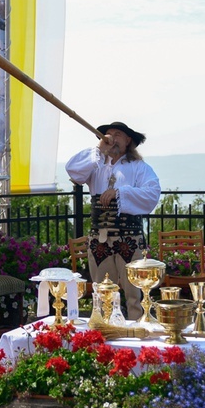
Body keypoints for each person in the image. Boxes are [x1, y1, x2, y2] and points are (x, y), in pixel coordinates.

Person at [65, 121, 161, 320]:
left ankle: (138, 330)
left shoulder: (139, 167)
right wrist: (98, 149)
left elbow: (152, 194)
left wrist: (120, 192)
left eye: (117, 134)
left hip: (129, 238)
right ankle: (104, 330)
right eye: (107, 134)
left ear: (128, 141)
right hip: (99, 239)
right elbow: (73, 170)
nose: (112, 138)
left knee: (134, 293)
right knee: (102, 291)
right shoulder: (96, 165)